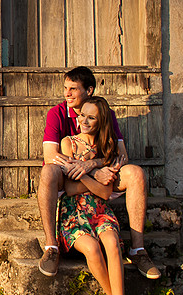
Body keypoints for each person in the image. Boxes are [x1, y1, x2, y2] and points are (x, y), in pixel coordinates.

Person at [37, 66, 160, 280]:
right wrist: (89, 171)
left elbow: (121, 157)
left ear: (89, 90)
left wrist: (93, 164)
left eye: (73, 89)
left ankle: (137, 250)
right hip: (68, 177)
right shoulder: (56, 114)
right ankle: (52, 247)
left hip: (102, 175)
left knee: (136, 173)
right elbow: (51, 156)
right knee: (48, 172)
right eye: (66, 88)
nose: (67, 94)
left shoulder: (105, 114)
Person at [56, 96, 138, 295]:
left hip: (100, 209)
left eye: (91, 117)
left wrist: (84, 172)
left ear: (101, 121)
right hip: (72, 212)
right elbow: (69, 189)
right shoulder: (68, 143)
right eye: (82, 115)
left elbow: (104, 193)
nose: (83, 121)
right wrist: (93, 176)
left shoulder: (108, 150)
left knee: (112, 244)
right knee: (92, 248)